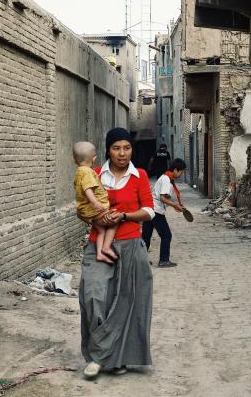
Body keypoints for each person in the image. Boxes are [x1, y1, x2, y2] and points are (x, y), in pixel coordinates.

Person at [78, 127, 155, 379]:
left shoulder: (139, 175)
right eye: (116, 148)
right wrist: (98, 216)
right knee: (94, 297)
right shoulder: (94, 174)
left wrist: (124, 216)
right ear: (107, 150)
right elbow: (81, 203)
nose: (122, 153)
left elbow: (149, 210)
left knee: (126, 304)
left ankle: (113, 359)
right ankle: (100, 354)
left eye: (127, 148)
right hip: (97, 242)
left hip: (131, 244)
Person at [73, 141, 118, 264]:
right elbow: (87, 189)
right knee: (114, 221)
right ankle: (106, 247)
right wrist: (95, 203)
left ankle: (100, 254)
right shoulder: (86, 172)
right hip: (91, 209)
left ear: (73, 159)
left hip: (85, 209)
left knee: (101, 230)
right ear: (94, 159)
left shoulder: (79, 171)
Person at [141, 158, 186, 268]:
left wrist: (175, 204)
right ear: (175, 170)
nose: (181, 174)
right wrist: (174, 204)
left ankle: (140, 260)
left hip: (150, 208)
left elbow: (164, 197)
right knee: (166, 235)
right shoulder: (166, 180)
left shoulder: (165, 177)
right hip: (156, 211)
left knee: (146, 236)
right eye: (181, 172)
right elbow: (162, 198)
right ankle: (164, 260)